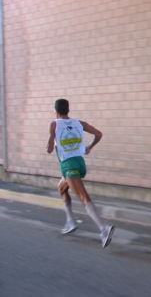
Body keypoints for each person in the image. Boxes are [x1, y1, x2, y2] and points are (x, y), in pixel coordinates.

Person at [46, 99, 115, 248]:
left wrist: (51, 135)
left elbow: (49, 149)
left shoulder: (54, 124)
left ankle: (104, 229)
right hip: (79, 163)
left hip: (68, 165)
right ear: (68, 110)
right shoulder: (79, 123)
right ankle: (70, 221)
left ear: (55, 111)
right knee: (61, 188)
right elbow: (99, 134)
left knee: (84, 197)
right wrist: (90, 146)